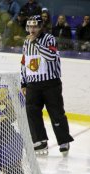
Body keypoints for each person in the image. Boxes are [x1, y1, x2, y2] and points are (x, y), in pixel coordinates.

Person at [21, 15, 74, 155]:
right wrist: (23, 82)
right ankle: (40, 141)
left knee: (56, 113)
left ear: (40, 27)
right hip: (33, 84)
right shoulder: (26, 42)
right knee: (32, 112)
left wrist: (36, 43)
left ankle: (63, 141)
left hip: (51, 83)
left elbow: (51, 56)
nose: (32, 29)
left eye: (34, 26)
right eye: (30, 26)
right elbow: (24, 63)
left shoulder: (49, 38)